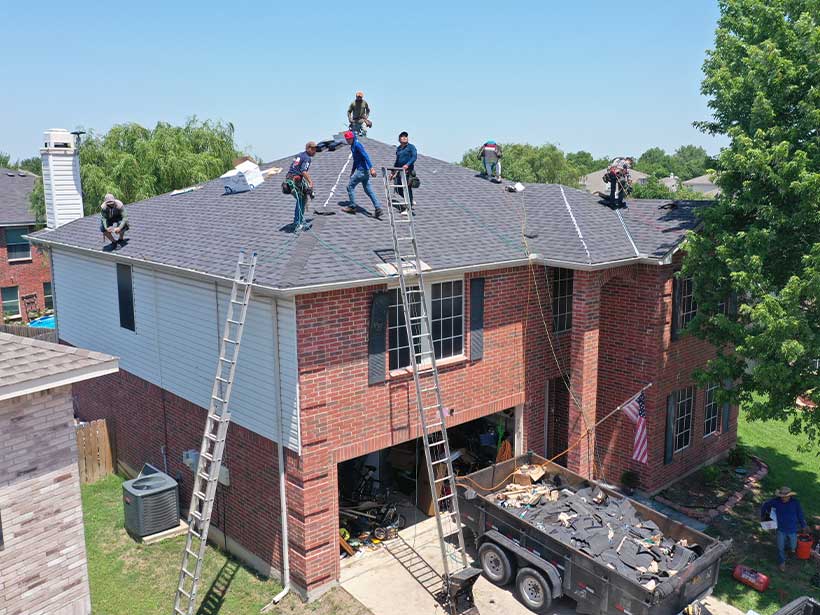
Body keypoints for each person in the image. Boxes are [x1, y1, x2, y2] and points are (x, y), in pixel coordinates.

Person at [761, 486, 808, 571]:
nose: (783, 498)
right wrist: (765, 517)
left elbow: (800, 514)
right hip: (781, 529)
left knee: (793, 546)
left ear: (789, 496)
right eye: (781, 497)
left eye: (785, 497)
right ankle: (782, 562)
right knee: (780, 547)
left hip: (792, 529)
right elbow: (765, 505)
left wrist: (803, 525)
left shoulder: (795, 503)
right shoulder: (776, 502)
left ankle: (789, 549)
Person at [342, 131, 382, 218]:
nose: (348, 141)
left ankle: (352, 207)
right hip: (364, 172)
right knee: (368, 190)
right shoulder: (353, 146)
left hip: (362, 171)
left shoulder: (357, 145)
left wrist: (371, 168)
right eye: (347, 139)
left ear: (352, 138)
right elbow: (356, 160)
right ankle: (378, 208)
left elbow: (365, 155)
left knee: (350, 187)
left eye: (349, 139)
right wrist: (352, 171)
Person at [284, 142, 317, 231]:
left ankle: (296, 221)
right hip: (295, 181)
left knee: (300, 199)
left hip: (289, 180)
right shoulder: (307, 158)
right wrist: (310, 182)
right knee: (302, 200)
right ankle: (298, 223)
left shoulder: (299, 155)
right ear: (308, 148)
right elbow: (303, 171)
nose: (315, 151)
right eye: (313, 149)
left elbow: (294, 168)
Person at [392, 131, 418, 211]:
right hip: (400, 171)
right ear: (399, 139)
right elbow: (397, 161)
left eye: (406, 136)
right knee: (398, 189)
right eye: (402, 136)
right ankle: (410, 200)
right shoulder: (399, 149)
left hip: (408, 172)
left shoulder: (411, 147)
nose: (404, 138)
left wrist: (407, 165)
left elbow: (414, 157)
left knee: (407, 188)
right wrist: (393, 172)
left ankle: (408, 208)